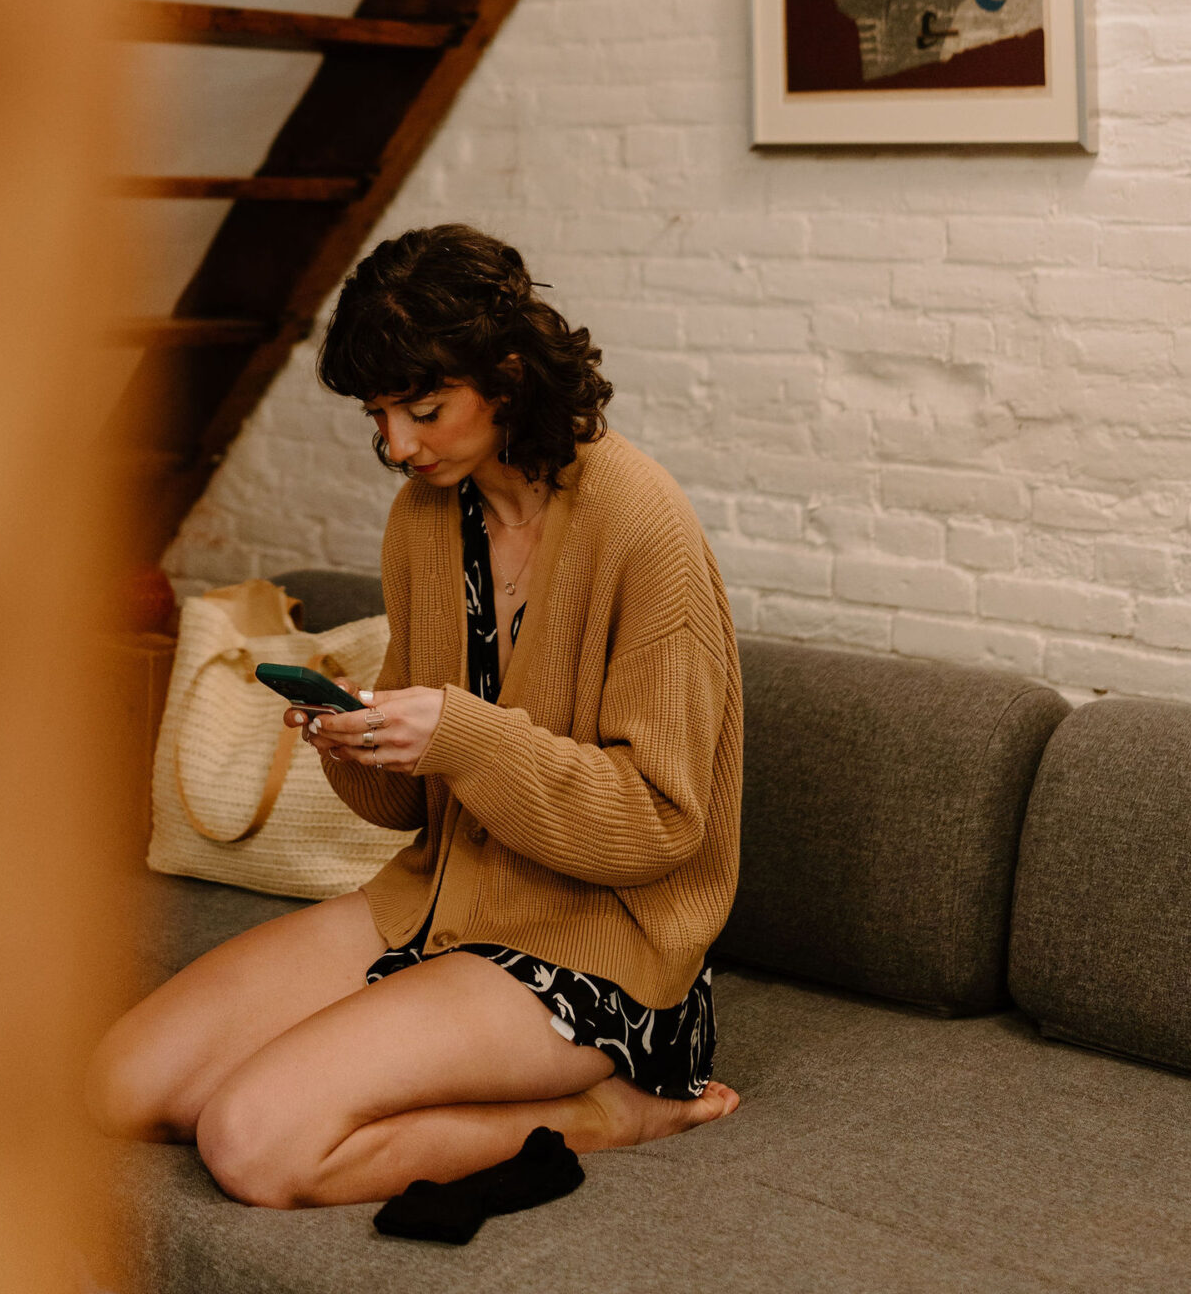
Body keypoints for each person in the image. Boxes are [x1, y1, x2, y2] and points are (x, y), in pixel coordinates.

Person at [88, 224, 743, 1208]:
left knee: (253, 1141)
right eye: (379, 413)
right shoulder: (428, 516)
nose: (396, 444)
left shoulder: (643, 528)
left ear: (510, 374)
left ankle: (616, 1107)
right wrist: (355, 739)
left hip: (598, 949)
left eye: (423, 409)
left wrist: (460, 733)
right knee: (116, 1087)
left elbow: (663, 821)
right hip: (435, 903)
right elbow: (408, 809)